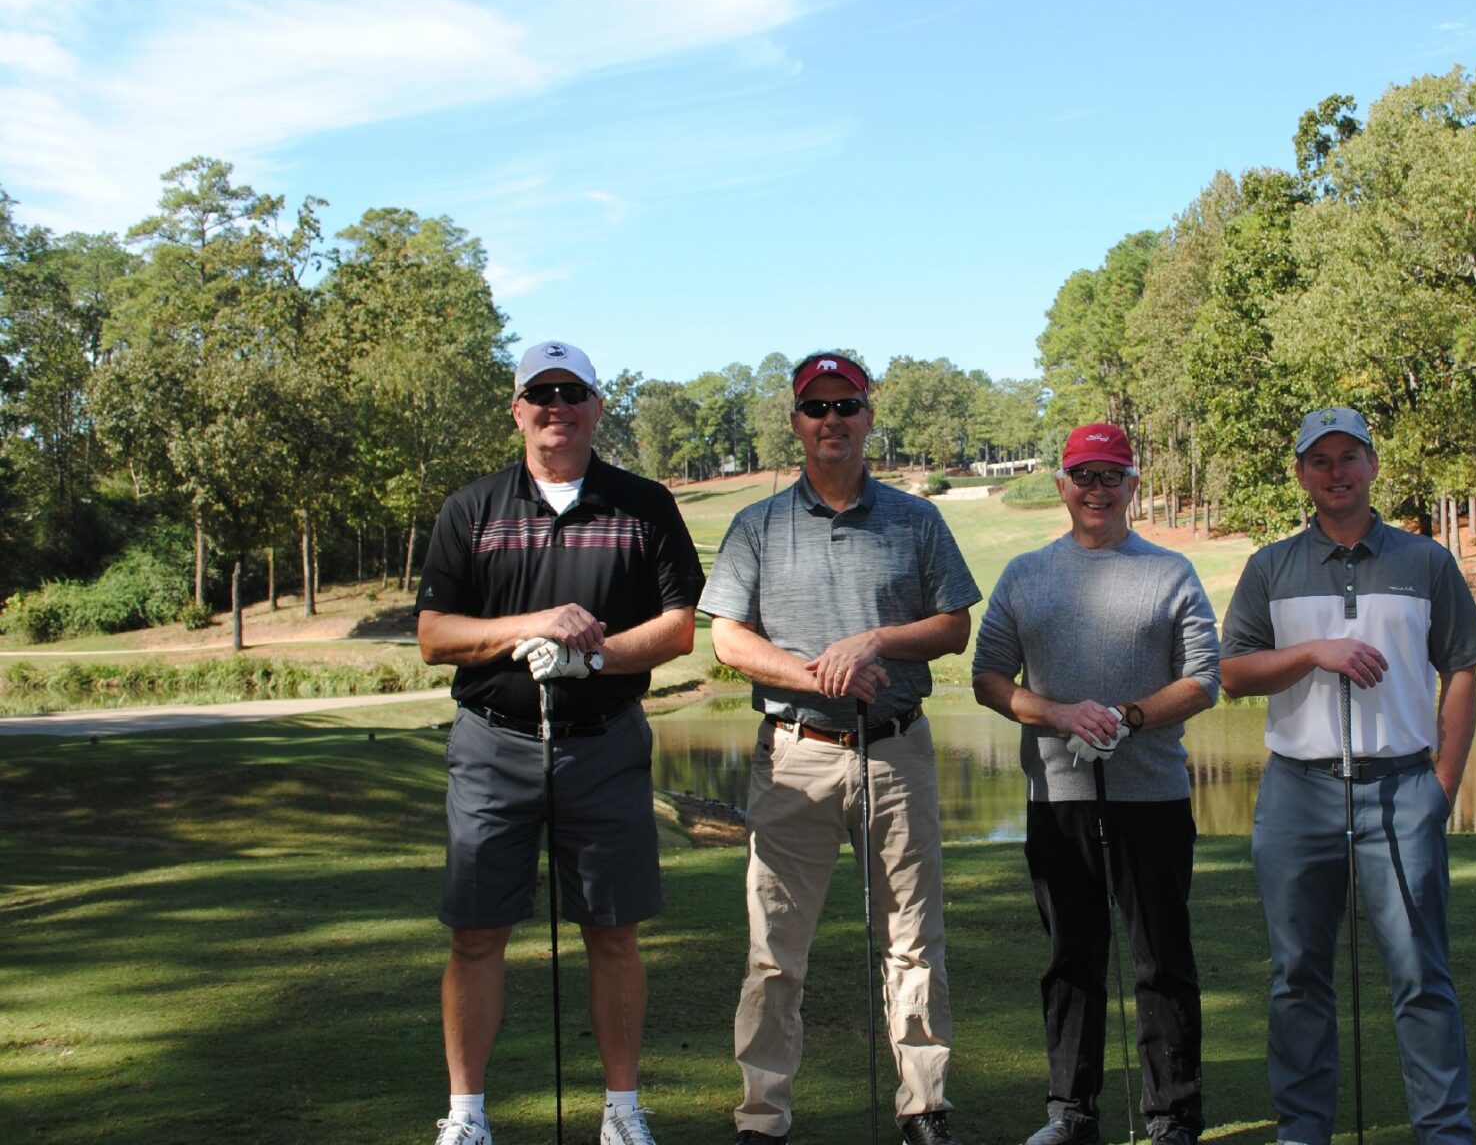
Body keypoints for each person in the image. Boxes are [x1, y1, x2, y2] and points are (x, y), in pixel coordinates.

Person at [416, 340, 706, 1145]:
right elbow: (434, 635)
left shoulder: (643, 506)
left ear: (596, 406)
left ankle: (622, 1113)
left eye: (571, 391)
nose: (556, 405)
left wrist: (588, 657)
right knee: (476, 933)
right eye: (539, 392)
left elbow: (679, 630)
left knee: (613, 932)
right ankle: (466, 1117)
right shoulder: (472, 509)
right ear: (517, 409)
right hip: (493, 742)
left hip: (603, 741)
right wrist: (533, 628)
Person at [699, 352, 982, 1145]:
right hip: (795, 755)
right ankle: (763, 1116)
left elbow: (954, 628)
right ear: (796, 423)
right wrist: (818, 674)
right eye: (817, 407)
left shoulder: (916, 519)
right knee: (774, 951)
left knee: (913, 941)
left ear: (867, 418)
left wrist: (874, 643)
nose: (833, 420)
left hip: (896, 753)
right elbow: (726, 639)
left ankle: (924, 1107)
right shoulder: (758, 526)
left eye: (847, 405)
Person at [1218, 407, 1476, 1145]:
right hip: (1297, 790)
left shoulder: (1426, 561)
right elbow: (1233, 674)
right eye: (1320, 461)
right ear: (1302, 473)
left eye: (1349, 457)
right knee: (1298, 974)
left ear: (1373, 465)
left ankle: (1444, 1132)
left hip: (1402, 789)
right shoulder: (1270, 567)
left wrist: (1443, 787)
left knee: (1420, 974)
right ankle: (1303, 1131)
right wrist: (1314, 653)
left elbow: (1461, 669)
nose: (1335, 472)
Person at [971, 422, 1218, 1145]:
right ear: (1062, 486)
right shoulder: (1025, 574)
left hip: (1154, 797)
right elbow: (988, 679)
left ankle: (1174, 1115)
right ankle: (1070, 1114)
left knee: (1162, 959)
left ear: (1134, 485)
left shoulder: (1171, 572)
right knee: (1071, 960)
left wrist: (1129, 716)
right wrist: (1057, 714)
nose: (1097, 489)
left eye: (1112, 475)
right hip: (1059, 799)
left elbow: (1204, 680)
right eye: (1084, 475)